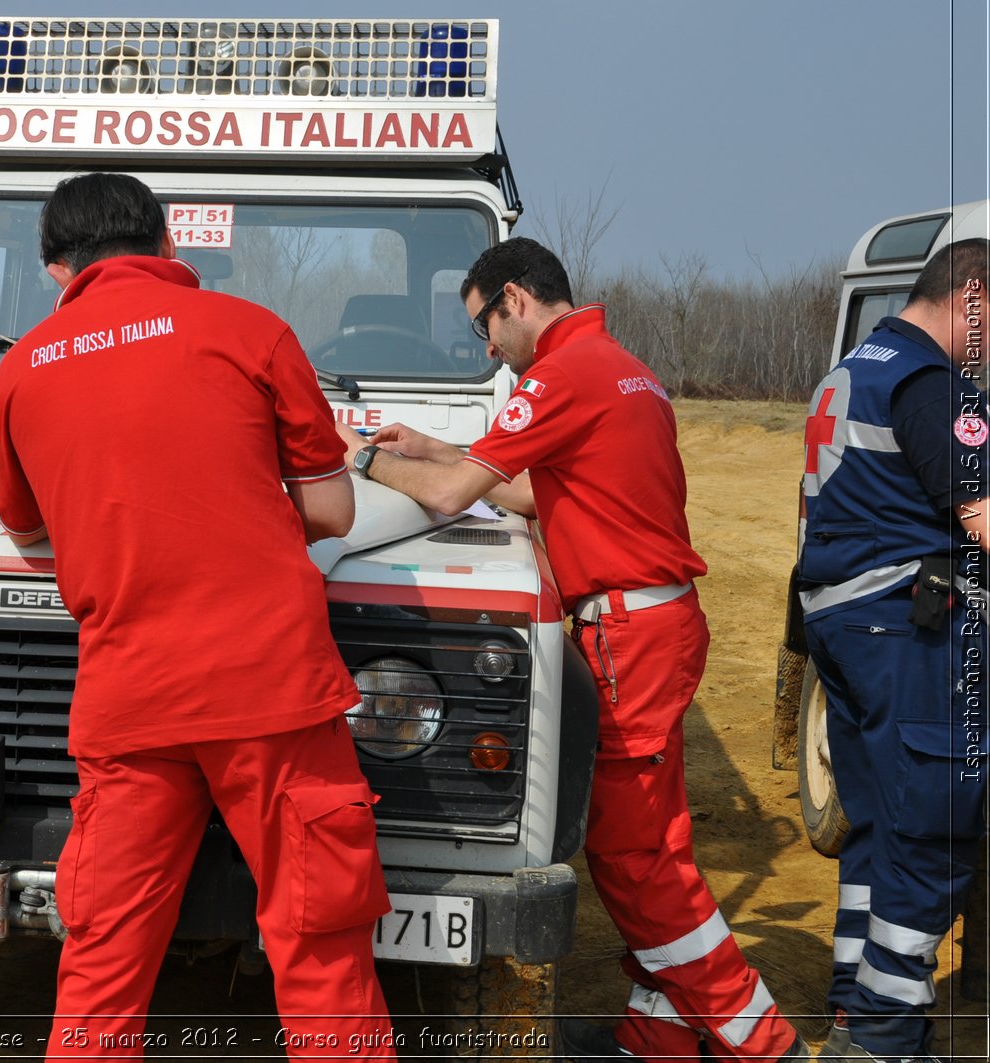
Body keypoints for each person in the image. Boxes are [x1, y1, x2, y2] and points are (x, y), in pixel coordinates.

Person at [335, 237, 808, 1063]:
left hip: (629, 632)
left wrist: (368, 459)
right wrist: (435, 448)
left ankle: (761, 1042)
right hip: (654, 622)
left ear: (514, 298)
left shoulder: (563, 372)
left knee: (633, 858)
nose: (485, 347)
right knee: (656, 842)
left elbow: (455, 498)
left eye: (483, 324)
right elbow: (532, 487)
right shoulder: (615, 365)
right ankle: (657, 1035)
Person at [0, 172, 395, 1058]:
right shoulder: (252, 332)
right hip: (273, 692)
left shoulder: (22, 370)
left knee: (102, 962)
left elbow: (28, 536)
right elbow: (332, 512)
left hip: (129, 700)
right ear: (167, 243)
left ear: (58, 269)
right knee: (321, 950)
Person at [798, 238, 989, 1062]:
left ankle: (850, 1001)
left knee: (875, 823)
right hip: (907, 627)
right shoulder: (932, 383)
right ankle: (882, 1034)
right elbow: (982, 514)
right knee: (935, 824)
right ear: (970, 296)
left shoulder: (855, 366)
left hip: (840, 622)